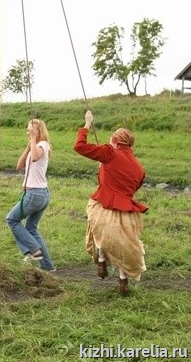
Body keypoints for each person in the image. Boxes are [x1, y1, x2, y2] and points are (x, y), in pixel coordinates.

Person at [73, 110, 147, 295]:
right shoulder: (139, 167)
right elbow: (132, 187)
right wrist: (105, 168)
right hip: (127, 212)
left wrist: (87, 123)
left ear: (115, 140)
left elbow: (80, 146)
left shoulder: (109, 152)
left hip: (104, 205)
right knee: (122, 246)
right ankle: (123, 281)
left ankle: (101, 259)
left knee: (99, 233)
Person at [6, 119, 55, 272]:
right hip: (39, 194)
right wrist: (27, 148)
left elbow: (35, 158)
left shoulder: (43, 145)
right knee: (31, 229)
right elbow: (19, 166)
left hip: (35, 194)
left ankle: (33, 250)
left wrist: (33, 140)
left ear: (40, 131)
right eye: (28, 130)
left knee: (12, 219)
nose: (29, 132)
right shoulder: (34, 147)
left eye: (32, 130)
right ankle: (47, 266)